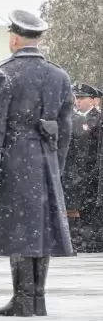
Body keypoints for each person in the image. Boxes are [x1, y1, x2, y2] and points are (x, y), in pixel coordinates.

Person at [0, 10, 74, 317]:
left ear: (15, 37)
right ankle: (38, 296)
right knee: (40, 228)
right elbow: (66, 129)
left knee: (20, 227)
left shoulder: (4, 73)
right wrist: (56, 164)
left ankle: (23, 298)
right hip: (46, 156)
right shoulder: (59, 75)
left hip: (16, 154)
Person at [62, 82, 102, 252]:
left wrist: (89, 172)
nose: (78, 101)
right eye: (76, 98)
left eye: (82, 98)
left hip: (91, 171)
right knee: (80, 208)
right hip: (77, 172)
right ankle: (84, 241)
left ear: (94, 100)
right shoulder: (73, 119)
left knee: (89, 210)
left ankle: (90, 242)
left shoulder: (95, 120)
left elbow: (93, 151)